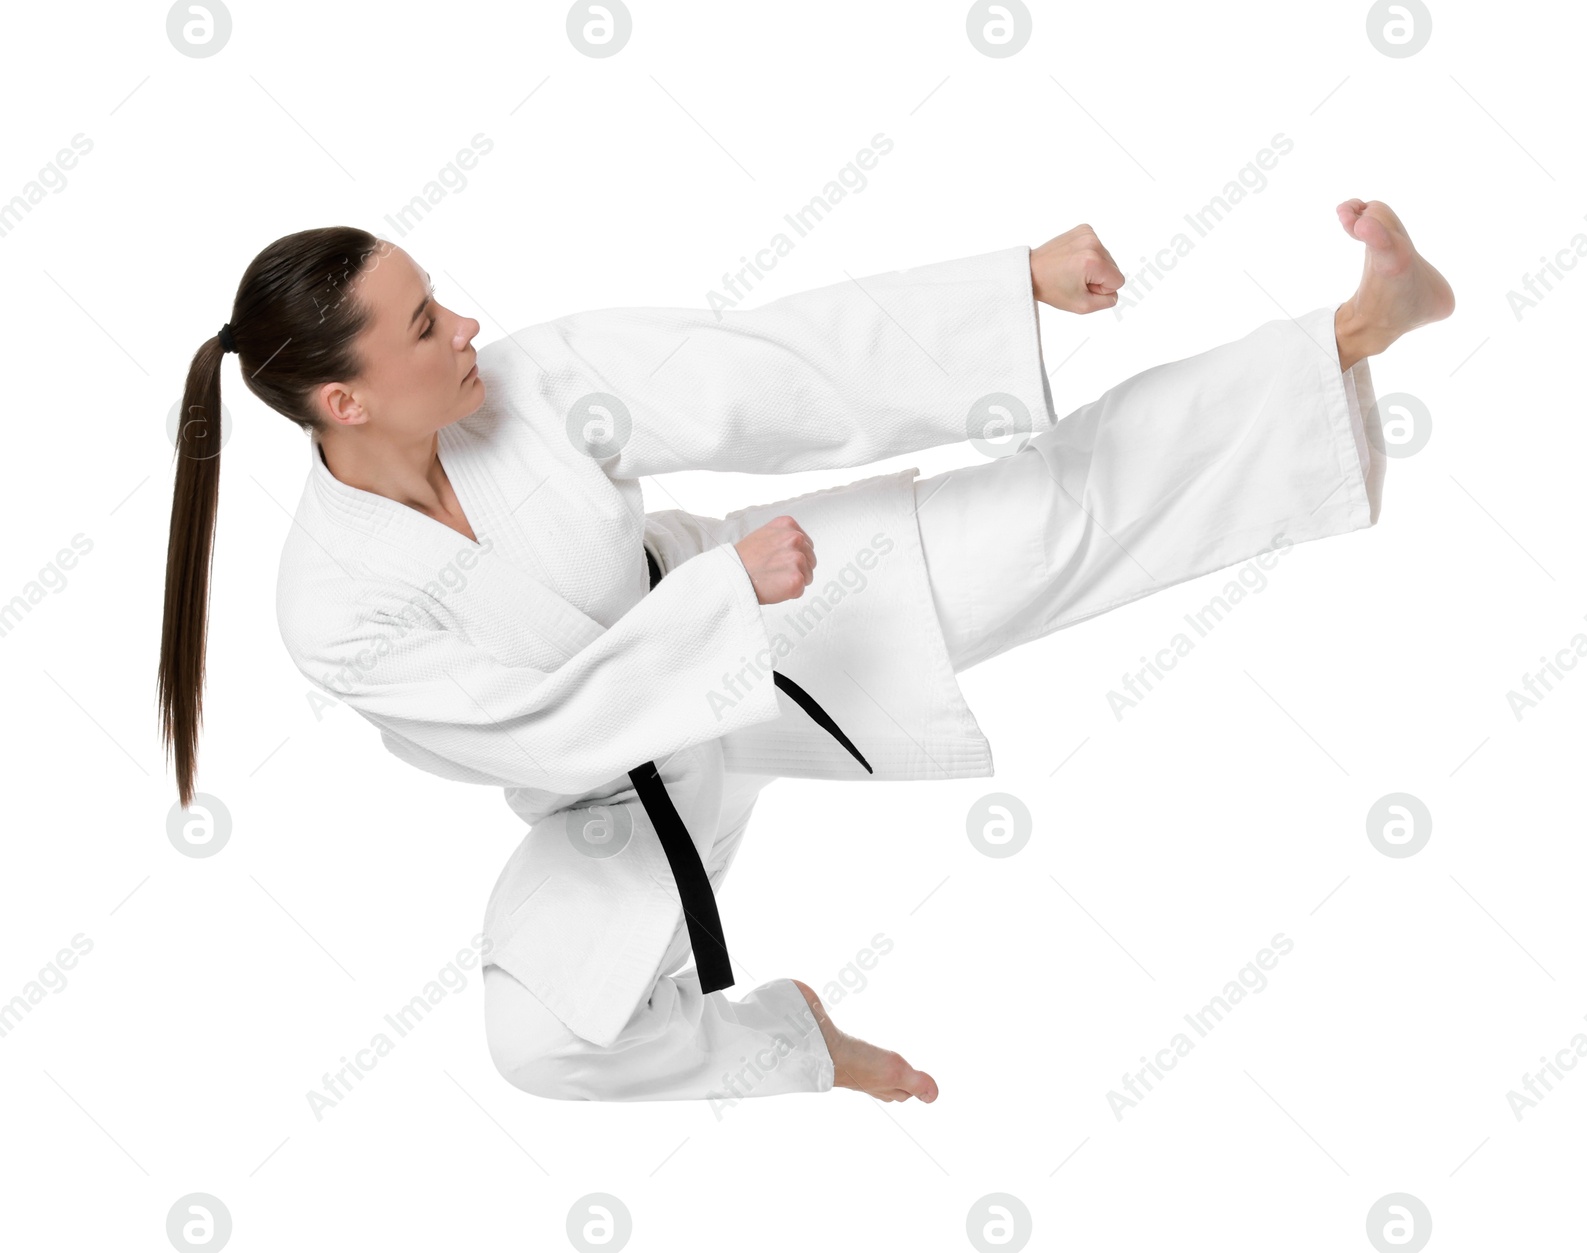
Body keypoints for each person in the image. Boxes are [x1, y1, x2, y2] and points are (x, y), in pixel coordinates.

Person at [158, 199, 1453, 1106]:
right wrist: (715, 602)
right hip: (614, 794)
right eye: (427, 322)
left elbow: (764, 365)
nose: (467, 326)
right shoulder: (329, 607)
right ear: (347, 400)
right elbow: (534, 727)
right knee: (540, 1041)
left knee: (1054, 514)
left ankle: (1359, 327)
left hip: (777, 625)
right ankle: (799, 1047)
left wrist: (1010, 290)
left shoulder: (535, 384)